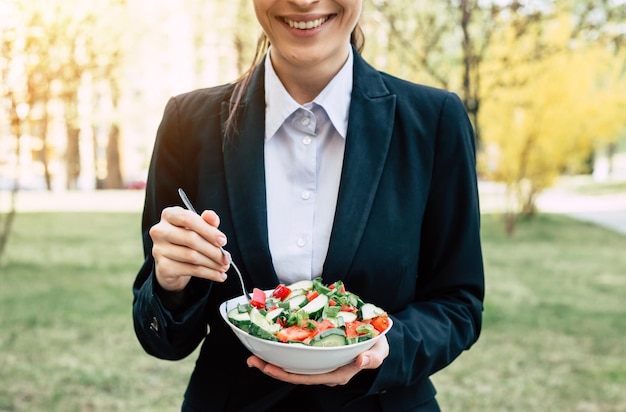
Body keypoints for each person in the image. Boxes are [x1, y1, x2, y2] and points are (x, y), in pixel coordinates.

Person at [132, 1, 485, 411]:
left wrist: (383, 350)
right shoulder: (187, 123)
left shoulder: (436, 120)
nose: (303, 1)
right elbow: (161, 338)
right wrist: (170, 286)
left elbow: (458, 304)